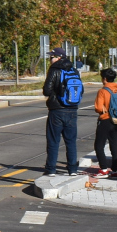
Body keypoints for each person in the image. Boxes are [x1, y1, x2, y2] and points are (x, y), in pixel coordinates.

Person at [42, 47, 83, 176]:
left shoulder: (54, 70)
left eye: (52, 57)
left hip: (57, 110)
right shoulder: (74, 70)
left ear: (59, 57)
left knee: (54, 141)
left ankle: (51, 169)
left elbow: (46, 91)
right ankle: (72, 169)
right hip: (72, 110)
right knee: (71, 141)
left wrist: (55, 92)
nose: (50, 59)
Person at [92, 68, 117, 179]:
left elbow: (98, 108)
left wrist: (102, 109)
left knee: (99, 145)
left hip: (105, 120)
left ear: (104, 79)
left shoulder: (102, 91)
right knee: (114, 145)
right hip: (116, 120)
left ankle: (104, 169)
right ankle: (114, 171)